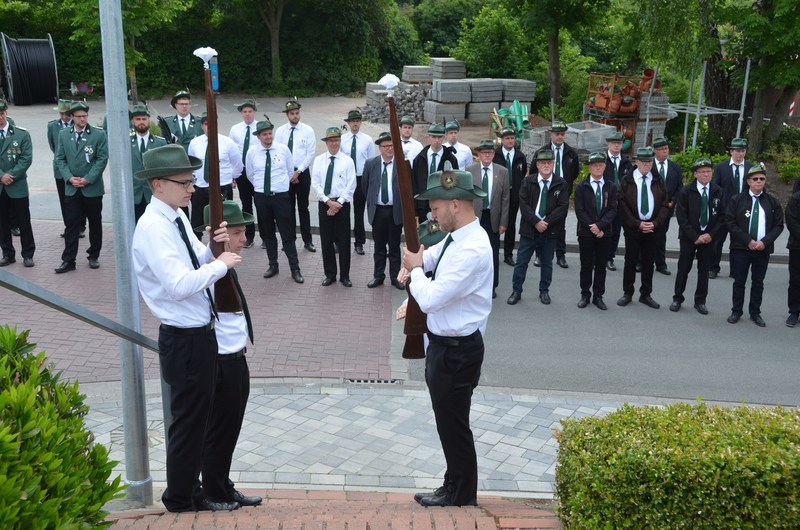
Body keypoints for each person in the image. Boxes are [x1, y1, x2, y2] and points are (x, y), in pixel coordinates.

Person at [131, 144, 241, 512]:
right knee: (189, 422)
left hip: (199, 334)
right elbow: (179, 285)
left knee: (198, 420)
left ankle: (191, 492)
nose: (192, 188)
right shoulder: (154, 227)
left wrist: (213, 248)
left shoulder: (174, 218)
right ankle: (180, 498)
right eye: (184, 182)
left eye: (192, 181)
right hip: (184, 338)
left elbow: (197, 261)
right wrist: (221, 265)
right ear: (158, 185)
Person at [401, 165, 491, 508]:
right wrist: (416, 261)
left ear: (456, 204)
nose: (431, 213)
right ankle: (454, 484)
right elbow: (432, 256)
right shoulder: (457, 238)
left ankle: (460, 492)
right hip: (445, 348)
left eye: (436, 207)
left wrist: (414, 271)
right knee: (449, 424)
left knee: (454, 426)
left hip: (457, 352)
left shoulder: (472, 249)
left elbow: (432, 298)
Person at [194, 201, 262, 509]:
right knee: (219, 430)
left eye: (243, 232)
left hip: (236, 357)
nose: (244, 239)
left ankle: (222, 484)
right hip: (220, 361)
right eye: (236, 233)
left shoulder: (223, 264)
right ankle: (212, 490)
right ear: (217, 235)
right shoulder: (206, 266)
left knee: (230, 427)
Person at [506, 149, 569, 306]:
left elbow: (562, 207)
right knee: (521, 262)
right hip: (529, 229)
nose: (546, 165)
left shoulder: (561, 184)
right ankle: (516, 291)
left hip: (550, 230)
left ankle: (544, 291)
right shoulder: (527, 182)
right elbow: (524, 205)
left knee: (547, 263)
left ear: (553, 165)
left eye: (549, 163)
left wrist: (546, 222)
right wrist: (536, 222)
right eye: (543, 163)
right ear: (538, 165)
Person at [246, 118, 304, 284]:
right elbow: (250, 174)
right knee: (268, 233)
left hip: (281, 197)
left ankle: (295, 269)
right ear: (258, 136)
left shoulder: (283, 150)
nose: (268, 137)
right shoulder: (252, 153)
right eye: (265, 134)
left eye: (270, 133)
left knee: (287, 234)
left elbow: (289, 171)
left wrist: (278, 187)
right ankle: (273, 265)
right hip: (261, 197)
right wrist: (262, 188)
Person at [725, 165, 784, 327]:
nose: (759, 181)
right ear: (748, 181)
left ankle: (755, 312)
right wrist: (748, 241)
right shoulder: (737, 200)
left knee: (758, 282)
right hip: (741, 248)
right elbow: (730, 222)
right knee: (739, 281)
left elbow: (778, 225)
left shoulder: (772, 202)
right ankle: (736, 311)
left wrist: (765, 242)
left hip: (762, 250)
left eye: (762, 179)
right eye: (755, 179)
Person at [54, 101, 108, 273]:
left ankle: (93, 255)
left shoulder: (98, 134)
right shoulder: (64, 134)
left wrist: (87, 179)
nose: (82, 119)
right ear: (72, 117)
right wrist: (69, 178)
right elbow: (60, 159)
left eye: (85, 116)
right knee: (71, 224)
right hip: (72, 188)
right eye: (79, 116)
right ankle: (68, 260)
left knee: (95, 223)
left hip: (91, 188)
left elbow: (102, 159)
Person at [616, 147, 670, 309]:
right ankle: (627, 292)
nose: (647, 165)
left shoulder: (658, 180)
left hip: (653, 228)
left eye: (650, 162)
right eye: (644, 162)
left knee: (648, 262)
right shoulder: (627, 180)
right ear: (637, 162)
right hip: (633, 228)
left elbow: (665, 204)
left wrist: (655, 223)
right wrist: (636, 223)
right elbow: (621, 204)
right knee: (630, 261)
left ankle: (646, 294)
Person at [669, 158, 723, 314]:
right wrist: (695, 237)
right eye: (703, 172)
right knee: (683, 268)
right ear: (695, 174)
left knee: (704, 270)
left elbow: (722, 216)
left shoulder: (717, 191)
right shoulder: (686, 191)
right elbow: (681, 216)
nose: (706, 174)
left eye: (709, 171)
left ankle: (700, 301)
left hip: (708, 237)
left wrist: (710, 235)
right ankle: (677, 298)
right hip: (689, 237)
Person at [311, 127, 356, 286]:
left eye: (336, 140)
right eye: (331, 141)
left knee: (344, 241)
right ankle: (330, 274)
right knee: (326, 240)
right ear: (326, 142)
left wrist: (338, 203)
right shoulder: (319, 160)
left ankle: (345, 275)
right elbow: (315, 184)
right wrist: (328, 202)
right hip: (325, 204)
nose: (334, 143)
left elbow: (351, 184)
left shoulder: (348, 161)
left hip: (342, 204)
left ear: (340, 141)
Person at [187, 113, 243, 237]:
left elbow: (238, 165)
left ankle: (225, 246)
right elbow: (192, 164)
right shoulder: (195, 143)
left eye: (212, 123)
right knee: (197, 222)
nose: (210, 127)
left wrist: (228, 177)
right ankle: (196, 246)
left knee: (224, 221)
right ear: (202, 126)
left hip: (222, 188)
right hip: (201, 187)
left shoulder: (228, 142)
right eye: (206, 124)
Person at [573, 152, 617, 310]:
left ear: (605, 167)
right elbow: (580, 210)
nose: (598, 168)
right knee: (586, 265)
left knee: (601, 266)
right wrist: (593, 226)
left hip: (604, 233)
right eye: (595, 165)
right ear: (590, 168)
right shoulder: (581, 187)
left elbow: (613, 209)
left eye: (601, 165)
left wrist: (601, 226)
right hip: (586, 232)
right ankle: (585, 294)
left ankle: (598, 296)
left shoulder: (611, 186)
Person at [363, 132, 405, 290]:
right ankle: (378, 276)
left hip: (395, 211)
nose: (389, 148)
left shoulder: (402, 164)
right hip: (378, 211)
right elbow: (365, 187)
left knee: (394, 247)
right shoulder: (371, 164)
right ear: (379, 148)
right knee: (379, 247)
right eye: (385, 146)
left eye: (392, 145)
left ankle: (396, 277)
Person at [468, 139, 509, 297]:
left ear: (494, 154)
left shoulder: (502, 171)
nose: (487, 155)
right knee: (473, 253)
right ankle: (473, 285)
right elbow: (466, 197)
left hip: (493, 218)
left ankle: (491, 285)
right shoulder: (470, 171)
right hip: (474, 219)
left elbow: (505, 198)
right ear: (478, 154)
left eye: (490, 152)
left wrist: (503, 222)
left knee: (492, 253)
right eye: (484, 152)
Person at [275, 99, 317, 252]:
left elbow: (310, 153)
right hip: (286, 173)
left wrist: (298, 172)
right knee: (288, 209)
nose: (295, 116)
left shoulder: (308, 130)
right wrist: (289, 173)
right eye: (292, 113)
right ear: (287, 115)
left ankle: (307, 240)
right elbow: (278, 152)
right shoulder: (280, 131)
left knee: (303, 208)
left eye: (297, 113)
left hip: (302, 173)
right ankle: (289, 241)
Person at [709, 137, 754, 278]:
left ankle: (736, 270)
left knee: (739, 243)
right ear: (731, 152)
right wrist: (716, 208)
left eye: (743, 151)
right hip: (724, 211)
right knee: (717, 240)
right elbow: (715, 189)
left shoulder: (750, 167)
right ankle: (713, 268)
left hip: (742, 211)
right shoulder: (721, 167)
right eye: (737, 151)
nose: (740, 154)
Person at [0, 100, 35, 268]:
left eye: (1, 114)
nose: (0, 117)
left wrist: (10, 175)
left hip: (17, 185)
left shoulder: (21, 134)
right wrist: (1, 176)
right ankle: (7, 254)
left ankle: (28, 254)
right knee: (2, 223)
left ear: (6, 113)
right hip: (0, 185)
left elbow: (26, 158)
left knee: (23, 221)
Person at [539, 121, 579, 269]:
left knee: (560, 225)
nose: (560, 137)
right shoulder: (542, 151)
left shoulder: (571, 153)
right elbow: (535, 172)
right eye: (557, 134)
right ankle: (540, 255)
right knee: (543, 222)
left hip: (562, 194)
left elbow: (574, 172)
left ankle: (560, 255)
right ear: (551, 135)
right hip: (545, 192)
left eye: (562, 134)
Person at [47, 99, 85, 238]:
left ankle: (80, 226)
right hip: (60, 170)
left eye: (66, 114)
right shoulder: (52, 126)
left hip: (77, 169)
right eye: (61, 113)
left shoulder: (79, 125)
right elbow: (53, 146)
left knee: (80, 198)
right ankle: (69, 227)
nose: (64, 116)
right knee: (64, 199)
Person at [340, 109, 375, 256]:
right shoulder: (342, 139)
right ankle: (340, 241)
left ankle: (359, 243)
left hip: (361, 179)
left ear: (360, 122)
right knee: (342, 211)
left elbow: (371, 161)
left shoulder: (367, 140)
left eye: (357, 121)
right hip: (346, 179)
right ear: (348, 123)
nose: (355, 124)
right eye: (352, 121)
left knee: (359, 212)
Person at [228, 99, 259, 248]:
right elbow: (231, 153)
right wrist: (233, 175)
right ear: (241, 113)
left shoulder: (260, 127)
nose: (247, 114)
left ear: (254, 112)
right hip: (241, 170)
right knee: (246, 204)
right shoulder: (235, 129)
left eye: (250, 111)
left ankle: (266, 237)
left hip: (257, 170)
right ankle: (249, 236)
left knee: (261, 204)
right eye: (245, 111)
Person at [412, 123, 458, 222]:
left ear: (444, 137)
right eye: (433, 137)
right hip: (422, 206)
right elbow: (414, 185)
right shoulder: (419, 159)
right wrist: (415, 210)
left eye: (439, 137)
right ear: (428, 137)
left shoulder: (451, 159)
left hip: (443, 205)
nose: (436, 140)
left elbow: (456, 184)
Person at [494, 127, 527, 266]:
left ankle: (508, 254)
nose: (510, 141)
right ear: (502, 140)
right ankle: (494, 253)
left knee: (510, 225)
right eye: (507, 138)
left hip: (514, 196)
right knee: (495, 223)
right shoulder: (496, 155)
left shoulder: (520, 157)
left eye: (512, 138)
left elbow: (522, 173)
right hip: (497, 195)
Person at [130, 104, 167, 222]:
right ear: (132, 121)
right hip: (133, 194)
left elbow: (164, 168)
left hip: (153, 193)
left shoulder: (160, 143)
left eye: (144, 119)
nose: (141, 122)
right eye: (138, 119)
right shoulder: (126, 143)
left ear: (149, 121)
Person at [651, 137, 683, 275]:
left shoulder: (675, 167)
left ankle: (660, 264)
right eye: (661, 149)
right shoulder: (649, 165)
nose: (665, 151)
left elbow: (679, 187)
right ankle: (641, 262)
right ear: (654, 150)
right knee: (646, 234)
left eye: (666, 148)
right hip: (650, 208)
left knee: (661, 235)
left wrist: (673, 201)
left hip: (666, 208)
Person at [604, 131, 632, 271]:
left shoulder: (626, 162)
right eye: (614, 143)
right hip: (605, 202)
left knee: (615, 232)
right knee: (603, 229)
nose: (616, 145)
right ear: (608, 144)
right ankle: (599, 256)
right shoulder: (602, 160)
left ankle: (610, 258)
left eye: (619, 143)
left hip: (620, 202)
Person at [784, 188, 800, 327]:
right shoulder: (796, 199)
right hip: (797, 246)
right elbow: (791, 221)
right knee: (795, 280)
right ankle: (794, 312)